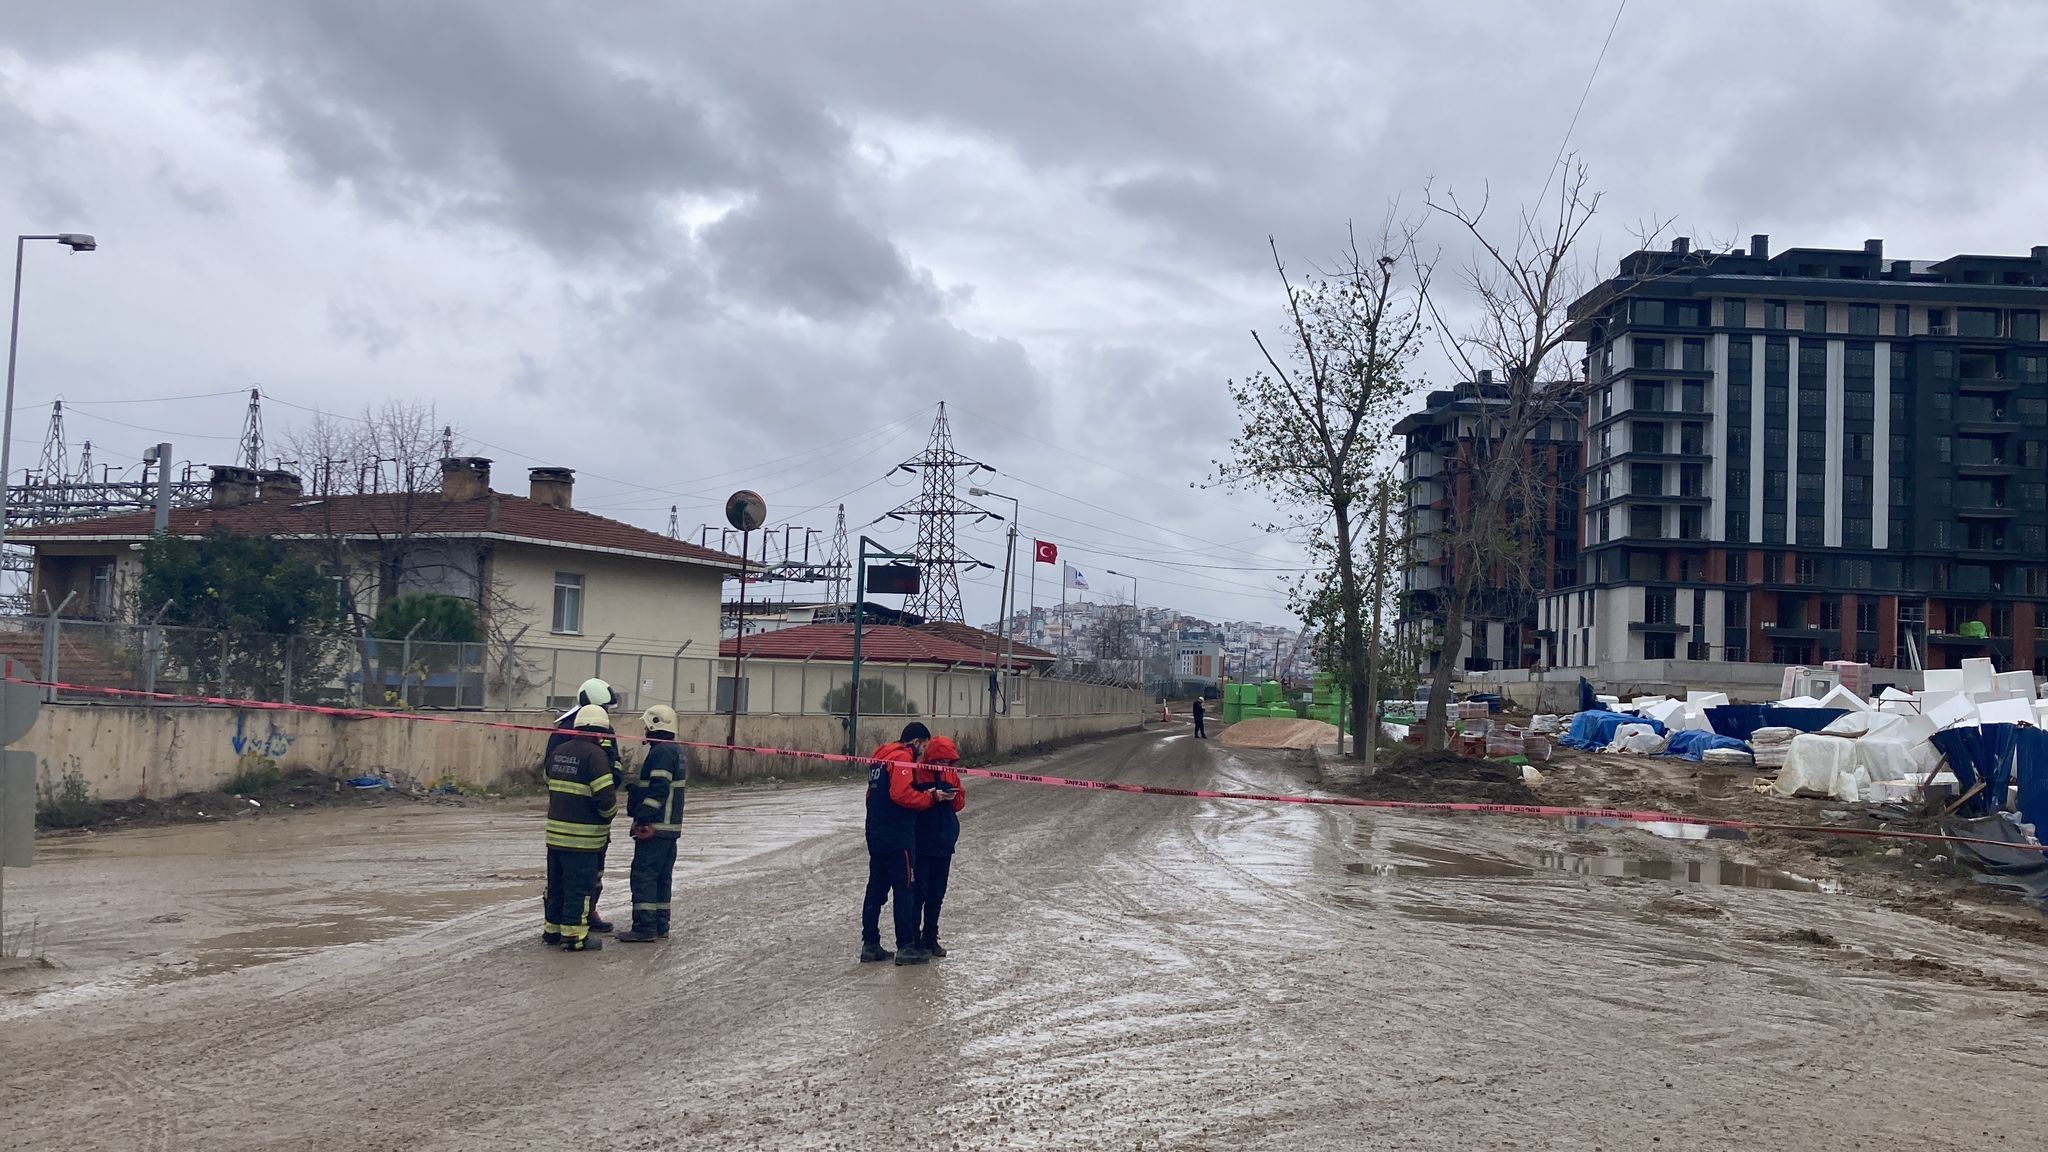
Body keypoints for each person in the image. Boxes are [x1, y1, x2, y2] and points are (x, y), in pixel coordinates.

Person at [544, 678, 623, 933]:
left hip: (563, 820)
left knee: (579, 874)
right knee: (580, 876)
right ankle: (575, 928)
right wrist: (607, 810)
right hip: (586, 818)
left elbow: (615, 766)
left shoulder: (599, 728)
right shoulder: (569, 730)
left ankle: (564, 923)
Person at [861, 721, 941, 966]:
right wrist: (929, 798)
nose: (924, 753)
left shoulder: (879, 759)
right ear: (916, 742)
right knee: (906, 889)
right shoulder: (902, 759)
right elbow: (900, 794)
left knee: (876, 888)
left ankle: (870, 943)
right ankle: (906, 945)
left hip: (876, 833)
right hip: (898, 836)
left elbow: (870, 796)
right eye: (924, 746)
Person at [616, 705, 687, 943]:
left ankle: (644, 927)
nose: (644, 729)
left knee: (643, 876)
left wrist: (643, 817)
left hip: (656, 828)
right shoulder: (674, 751)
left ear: (656, 724)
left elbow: (658, 789)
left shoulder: (661, 753)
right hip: (669, 830)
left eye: (647, 725)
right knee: (661, 878)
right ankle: (660, 925)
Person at [912, 735, 967, 958]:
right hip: (922, 841)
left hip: (944, 841)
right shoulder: (916, 771)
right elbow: (909, 799)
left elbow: (961, 802)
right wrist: (932, 796)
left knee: (937, 893)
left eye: (948, 762)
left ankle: (931, 937)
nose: (944, 765)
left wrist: (952, 798)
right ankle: (913, 938)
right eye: (941, 761)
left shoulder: (951, 775)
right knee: (918, 892)